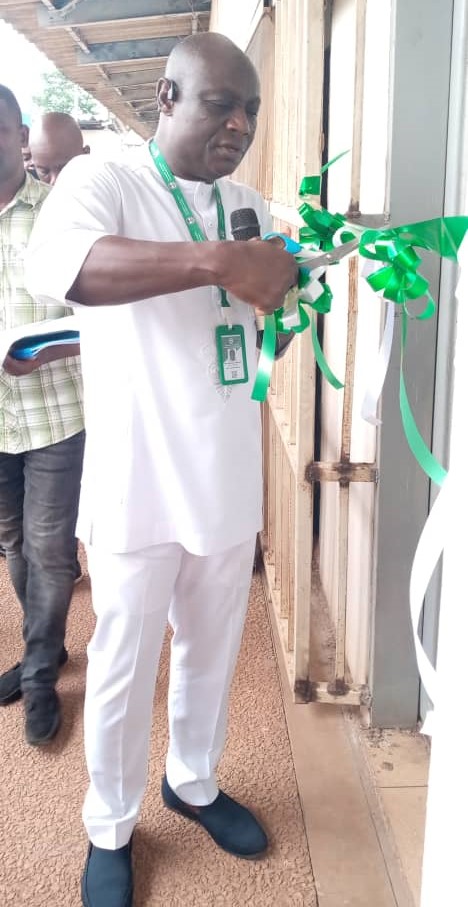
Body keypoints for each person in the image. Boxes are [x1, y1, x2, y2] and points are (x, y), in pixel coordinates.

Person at [26, 33, 298, 907]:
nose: (240, 124)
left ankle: (194, 780)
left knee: (213, 651)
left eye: (250, 109)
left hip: (225, 476)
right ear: (167, 99)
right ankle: (109, 823)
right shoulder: (102, 182)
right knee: (122, 663)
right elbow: (66, 267)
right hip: (136, 483)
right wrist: (215, 261)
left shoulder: (248, 204)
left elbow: (295, 285)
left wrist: (305, 283)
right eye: (221, 103)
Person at [0, 85, 85, 746]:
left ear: (20, 137)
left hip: (55, 412)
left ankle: (37, 678)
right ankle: (44, 649)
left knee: (51, 550)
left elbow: (101, 312)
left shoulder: (59, 212)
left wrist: (44, 348)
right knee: (14, 542)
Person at [28, 111, 91, 583]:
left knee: (56, 529)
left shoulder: (106, 215)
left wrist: (54, 348)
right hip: (25, 399)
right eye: (41, 171)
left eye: (62, 168)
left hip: (77, 399)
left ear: (85, 156)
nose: (52, 182)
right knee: (23, 536)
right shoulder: (35, 214)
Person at [28, 111, 90, 186]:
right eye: (44, 172)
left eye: (65, 169)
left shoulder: (100, 186)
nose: (54, 182)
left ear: (85, 155)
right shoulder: (27, 187)